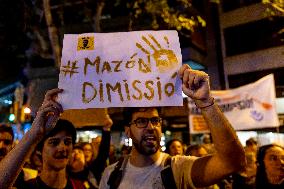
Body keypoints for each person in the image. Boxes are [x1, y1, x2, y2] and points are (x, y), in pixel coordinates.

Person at [99, 64, 246, 189]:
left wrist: (206, 103)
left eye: (155, 120)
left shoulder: (177, 168)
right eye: (141, 121)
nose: (151, 127)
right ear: (128, 131)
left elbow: (232, 163)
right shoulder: (110, 175)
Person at [0, 89, 76, 188]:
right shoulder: (25, 186)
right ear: (39, 150)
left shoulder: (82, 186)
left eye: (67, 142)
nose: (62, 148)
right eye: (54, 142)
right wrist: (34, 133)